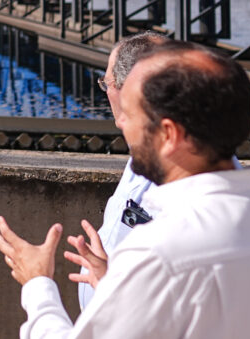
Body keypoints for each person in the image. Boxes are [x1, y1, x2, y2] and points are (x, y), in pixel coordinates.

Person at [0, 42, 250, 338]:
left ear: (169, 135)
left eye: (130, 115)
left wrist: (38, 285)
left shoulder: (158, 256)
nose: (121, 124)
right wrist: (119, 289)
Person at [73, 31, 167, 309]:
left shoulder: (177, 175)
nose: (107, 93)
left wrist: (38, 286)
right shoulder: (139, 155)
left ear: (129, 91)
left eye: (107, 83)